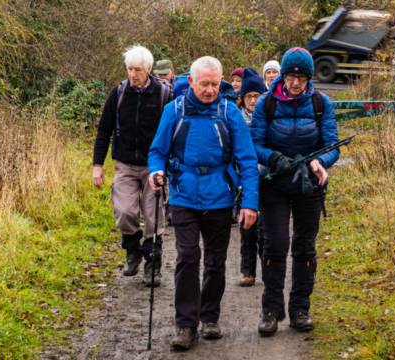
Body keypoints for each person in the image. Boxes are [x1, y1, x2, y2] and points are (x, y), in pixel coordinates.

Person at [148, 56, 259, 350]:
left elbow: (247, 160)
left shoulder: (229, 113)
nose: (210, 89)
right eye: (204, 84)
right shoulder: (174, 110)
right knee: (187, 257)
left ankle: (210, 317)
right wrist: (156, 171)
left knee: (214, 261)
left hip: (220, 197)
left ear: (220, 82)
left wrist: (250, 202)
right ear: (192, 82)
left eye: (215, 84)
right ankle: (185, 325)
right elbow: (157, 151)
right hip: (184, 196)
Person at [251, 48, 339, 336]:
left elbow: (332, 145)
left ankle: (300, 310)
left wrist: (319, 161)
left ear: (309, 78)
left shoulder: (320, 103)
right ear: (283, 76)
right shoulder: (267, 103)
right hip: (274, 184)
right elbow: (254, 144)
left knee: (304, 248)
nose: (295, 83)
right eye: (290, 76)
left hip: (308, 186)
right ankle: (270, 311)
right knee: (275, 245)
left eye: (301, 78)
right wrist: (273, 158)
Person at [92, 45, 173, 287]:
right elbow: (103, 131)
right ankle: (133, 249)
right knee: (125, 211)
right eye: (129, 69)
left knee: (153, 217)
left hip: (154, 165)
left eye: (137, 69)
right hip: (125, 165)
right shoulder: (117, 94)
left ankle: (153, 265)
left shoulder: (163, 95)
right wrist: (98, 165)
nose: (133, 74)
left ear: (149, 69)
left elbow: (172, 131)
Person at [235, 67, 266, 287]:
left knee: (265, 228)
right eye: (248, 96)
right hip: (243, 180)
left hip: (267, 176)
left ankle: (267, 268)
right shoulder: (235, 117)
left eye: (256, 95)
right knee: (247, 227)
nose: (253, 100)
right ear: (242, 97)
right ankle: (247, 271)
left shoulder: (269, 115)